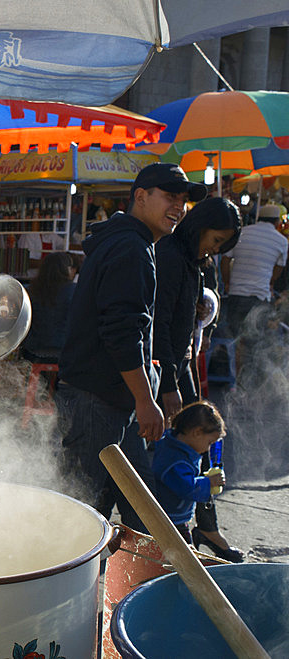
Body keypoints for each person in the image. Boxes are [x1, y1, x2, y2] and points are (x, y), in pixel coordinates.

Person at [55, 163, 207, 529]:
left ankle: (140, 583)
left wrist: (152, 390)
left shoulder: (135, 242)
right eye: (170, 196)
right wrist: (145, 400)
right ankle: (62, 582)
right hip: (99, 401)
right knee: (79, 511)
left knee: (142, 511)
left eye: (184, 200)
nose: (179, 207)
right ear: (141, 196)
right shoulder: (130, 247)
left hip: (113, 402)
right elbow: (122, 333)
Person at [152, 197, 243, 562]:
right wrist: (169, 382)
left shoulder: (197, 261)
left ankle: (205, 525)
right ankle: (173, 525)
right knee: (181, 446)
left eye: (221, 245)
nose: (215, 248)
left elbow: (200, 303)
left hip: (185, 361)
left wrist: (204, 306)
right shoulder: (172, 253)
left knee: (204, 444)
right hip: (170, 365)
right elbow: (160, 322)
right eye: (215, 240)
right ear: (200, 225)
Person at [220, 203, 289, 376]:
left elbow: (225, 260)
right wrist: (270, 282)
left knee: (235, 338)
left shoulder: (242, 232)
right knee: (255, 341)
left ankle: (235, 378)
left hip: (236, 293)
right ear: (276, 222)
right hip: (259, 297)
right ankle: (249, 377)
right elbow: (278, 270)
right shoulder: (281, 241)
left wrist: (228, 282)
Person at [151, 401, 227, 545]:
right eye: (210, 443)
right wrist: (209, 482)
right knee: (182, 557)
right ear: (197, 432)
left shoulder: (179, 447)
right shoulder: (174, 460)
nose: (208, 449)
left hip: (176, 518)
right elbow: (186, 487)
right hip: (169, 521)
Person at [21, 252, 77, 363]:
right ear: (66, 269)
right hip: (66, 351)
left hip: (33, 351)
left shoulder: (31, 291)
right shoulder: (74, 290)